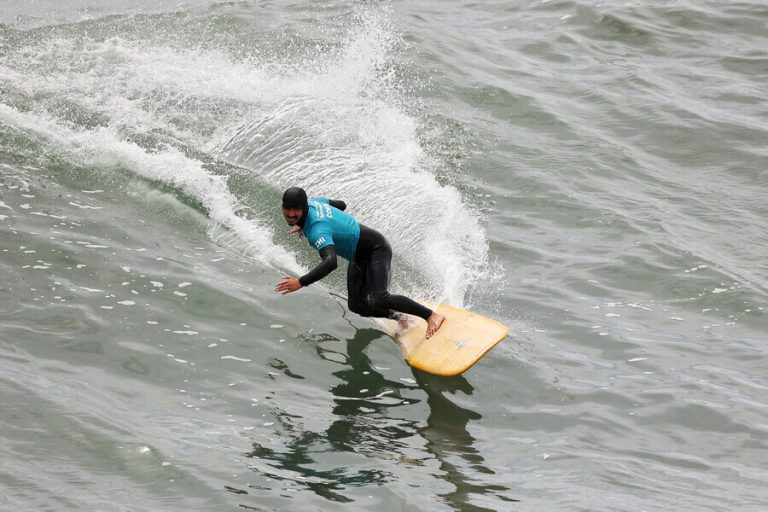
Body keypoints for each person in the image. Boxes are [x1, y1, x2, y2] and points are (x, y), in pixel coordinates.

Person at [275, 187, 445, 338]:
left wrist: (300, 282)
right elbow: (341, 205)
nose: (290, 214)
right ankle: (402, 318)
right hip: (358, 257)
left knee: (379, 297)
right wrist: (303, 222)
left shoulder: (317, 230)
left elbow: (330, 262)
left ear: (303, 208)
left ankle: (431, 316)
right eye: (287, 209)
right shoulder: (314, 203)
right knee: (356, 305)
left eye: (296, 210)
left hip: (376, 249)